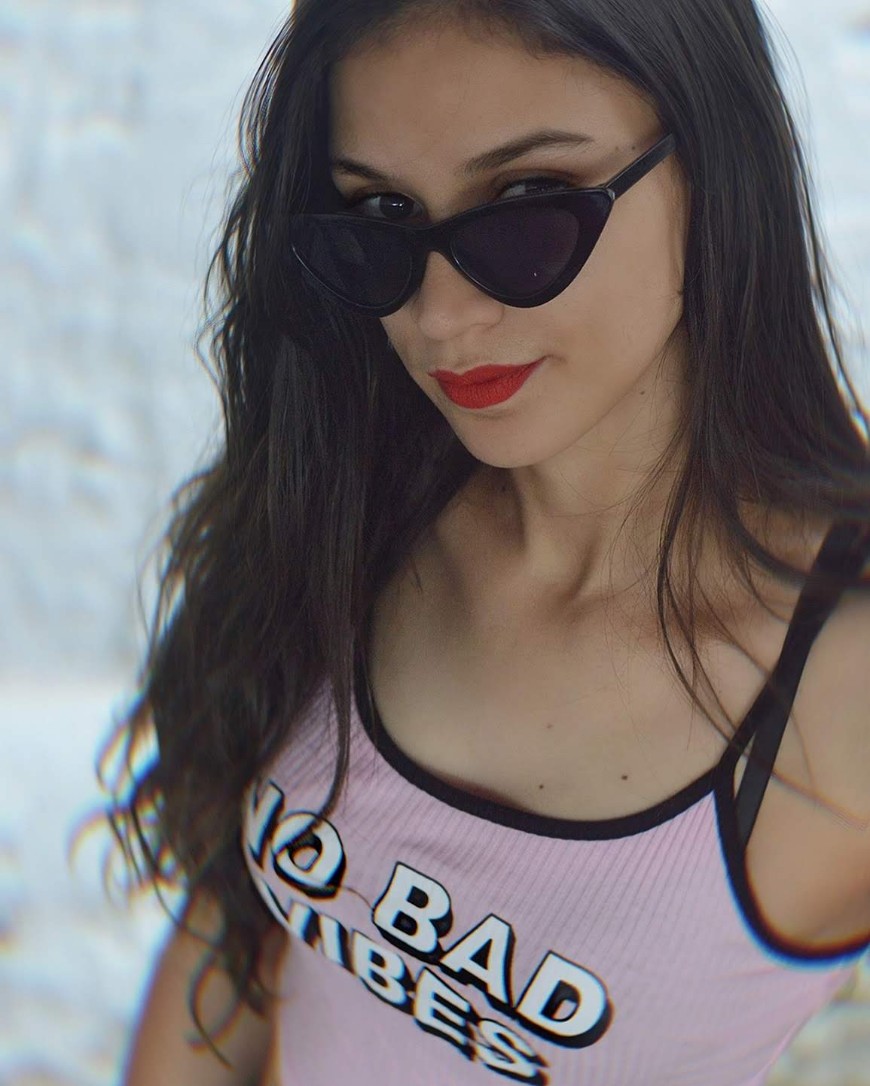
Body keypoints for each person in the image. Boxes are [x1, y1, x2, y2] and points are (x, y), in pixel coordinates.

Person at [111, 1, 870, 1083]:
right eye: (381, 214)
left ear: (714, 166)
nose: (441, 316)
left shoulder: (840, 680)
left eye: (526, 207)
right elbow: (234, 935)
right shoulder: (357, 499)